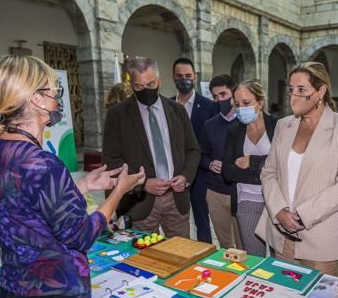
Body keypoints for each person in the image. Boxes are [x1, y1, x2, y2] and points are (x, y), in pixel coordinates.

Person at [0, 55, 145, 298]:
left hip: (14, 292)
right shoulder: (41, 163)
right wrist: (117, 194)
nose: (58, 100)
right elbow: (79, 236)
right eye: (54, 92)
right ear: (36, 99)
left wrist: (82, 185)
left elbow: (22, 202)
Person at [256, 62, 338, 275]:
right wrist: (279, 210)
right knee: (284, 297)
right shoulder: (284, 125)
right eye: (291, 90)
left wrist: (303, 216)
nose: (294, 96)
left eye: (302, 90)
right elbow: (269, 172)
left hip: (321, 235)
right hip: (281, 231)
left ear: (320, 91)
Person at [102, 57, 200, 238]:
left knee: (181, 254)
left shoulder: (177, 111)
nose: (146, 90)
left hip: (176, 199)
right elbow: (112, 160)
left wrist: (185, 176)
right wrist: (143, 183)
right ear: (131, 85)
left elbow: (193, 150)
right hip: (140, 202)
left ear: (159, 81)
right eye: (139, 87)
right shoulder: (118, 115)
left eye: (151, 84)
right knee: (144, 259)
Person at [222, 80, 277, 256]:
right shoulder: (233, 131)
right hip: (246, 201)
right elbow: (228, 172)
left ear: (260, 102)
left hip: (276, 202)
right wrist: (264, 169)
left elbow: (283, 165)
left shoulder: (278, 126)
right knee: (254, 257)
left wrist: (252, 162)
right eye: (237, 104)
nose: (241, 108)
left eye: (246, 103)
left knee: (281, 259)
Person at [170, 57, 219, 243]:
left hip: (200, 175)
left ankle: (204, 257)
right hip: (174, 174)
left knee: (202, 221)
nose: (184, 80)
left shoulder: (209, 106)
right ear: (173, 77)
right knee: (175, 220)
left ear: (195, 77)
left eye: (188, 76)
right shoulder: (166, 105)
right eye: (180, 76)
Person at [199, 74, 243, 248]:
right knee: (226, 244)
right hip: (216, 192)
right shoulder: (209, 125)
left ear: (234, 94)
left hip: (241, 192)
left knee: (244, 244)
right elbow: (201, 155)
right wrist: (209, 164)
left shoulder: (246, 122)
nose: (219, 100)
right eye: (215, 97)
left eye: (223, 95)